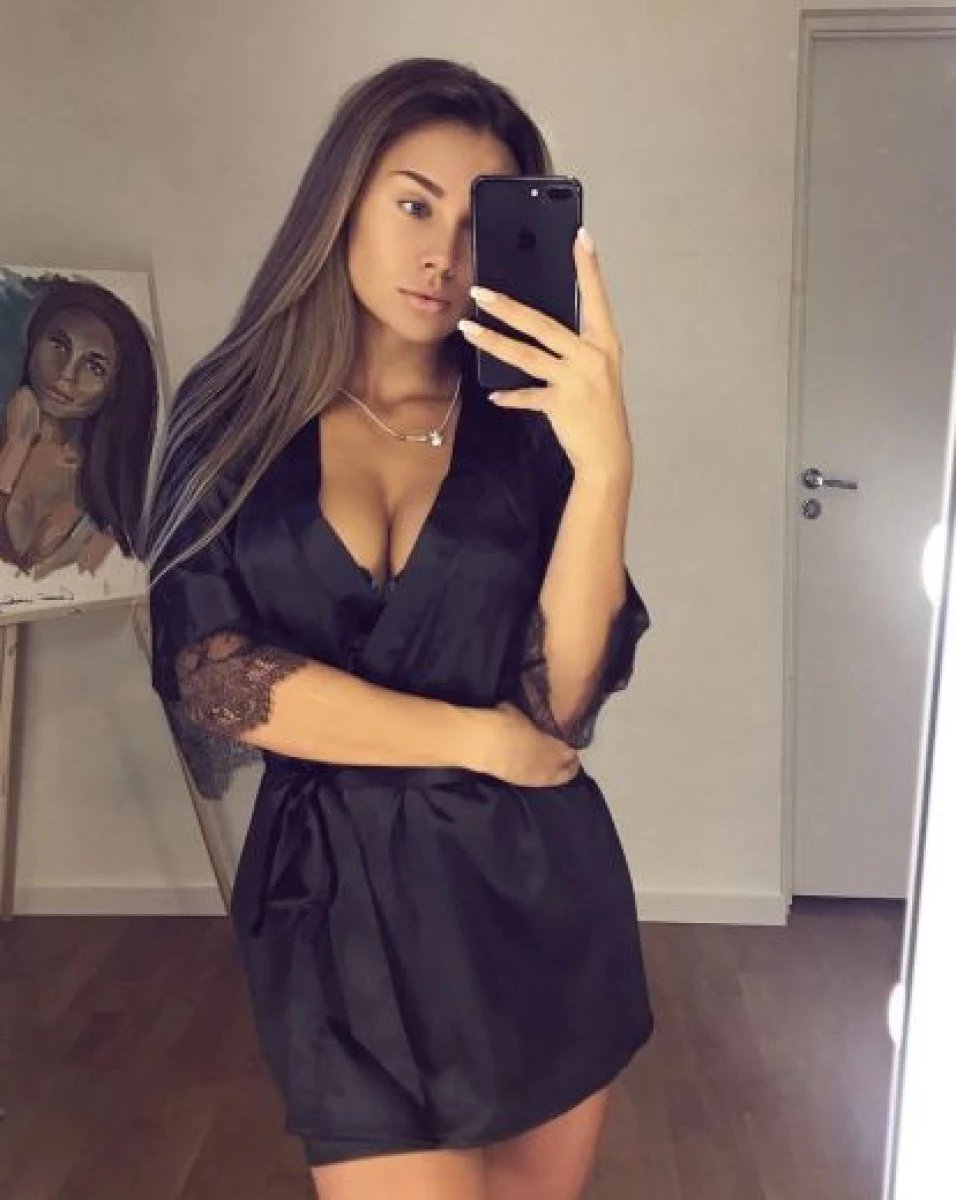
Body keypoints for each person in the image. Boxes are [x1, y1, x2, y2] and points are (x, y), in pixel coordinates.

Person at [142, 55, 654, 1200]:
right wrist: (474, 739)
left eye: (478, 225)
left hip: (533, 890)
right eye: (414, 205)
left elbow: (563, 699)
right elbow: (217, 677)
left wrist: (605, 464)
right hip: (333, 905)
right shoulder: (228, 416)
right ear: (343, 200)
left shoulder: (526, 429)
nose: (443, 256)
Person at [0, 276, 158, 579]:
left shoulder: (110, 486)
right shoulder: (12, 434)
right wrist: (17, 445)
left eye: (94, 367)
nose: (66, 374)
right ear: (34, 341)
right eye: (59, 344)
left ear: (114, 386)